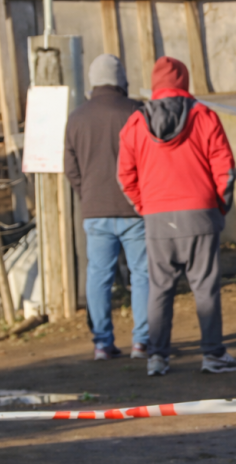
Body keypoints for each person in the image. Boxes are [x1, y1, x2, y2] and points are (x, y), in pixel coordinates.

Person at [117, 56, 236, 377]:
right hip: (200, 213)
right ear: (184, 81)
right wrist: (219, 206)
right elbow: (224, 167)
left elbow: (124, 175)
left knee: (159, 289)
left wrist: (145, 208)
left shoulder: (135, 123)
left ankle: (157, 357)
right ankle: (213, 354)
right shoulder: (203, 116)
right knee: (205, 288)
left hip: (157, 216)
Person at [64, 54, 149, 361]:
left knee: (98, 276)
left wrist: (87, 194)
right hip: (135, 209)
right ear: (120, 79)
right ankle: (142, 342)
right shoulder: (136, 111)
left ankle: (102, 343)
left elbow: (71, 168)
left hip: (95, 209)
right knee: (142, 274)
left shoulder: (76, 117)